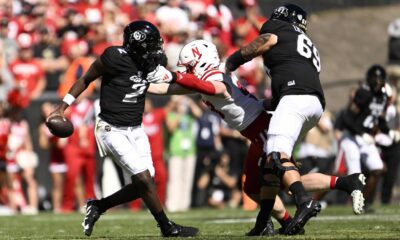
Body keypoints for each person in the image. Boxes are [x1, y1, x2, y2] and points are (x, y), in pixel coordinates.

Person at [147, 39, 365, 235]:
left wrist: (174, 75)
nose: (185, 70)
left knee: (276, 181)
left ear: (200, 61)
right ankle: (285, 218)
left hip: (261, 131)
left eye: (188, 66)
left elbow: (212, 88)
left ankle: (330, 192)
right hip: (258, 132)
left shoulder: (213, 78)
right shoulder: (206, 78)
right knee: (258, 186)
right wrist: (141, 84)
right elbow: (170, 89)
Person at [46, 20, 198, 237]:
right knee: (144, 179)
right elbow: (86, 79)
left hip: (136, 129)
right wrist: (62, 107)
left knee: (146, 183)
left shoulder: (150, 63)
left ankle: (99, 206)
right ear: (137, 44)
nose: (156, 50)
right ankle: (167, 227)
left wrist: (201, 86)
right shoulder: (113, 57)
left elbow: (169, 83)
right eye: (151, 45)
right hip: (111, 128)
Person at [223, 3, 326, 234]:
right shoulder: (304, 43)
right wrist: (261, 102)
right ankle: (262, 223)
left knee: (276, 154)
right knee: (271, 164)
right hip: (314, 104)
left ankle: (303, 200)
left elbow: (266, 40)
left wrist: (231, 62)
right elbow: (290, 82)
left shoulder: (277, 28)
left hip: (296, 98)